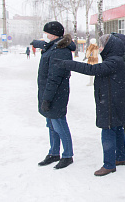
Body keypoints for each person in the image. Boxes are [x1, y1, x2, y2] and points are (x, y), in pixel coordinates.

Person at [56, 34, 125, 177]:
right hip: (114, 101)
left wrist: (67, 64)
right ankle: (121, 157)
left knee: (108, 130)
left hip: (110, 102)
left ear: (109, 47)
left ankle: (109, 164)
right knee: (117, 128)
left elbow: (92, 70)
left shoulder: (113, 61)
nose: (100, 48)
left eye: (103, 45)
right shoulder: (116, 59)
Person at [30, 21, 75, 170]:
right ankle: (54, 152)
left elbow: (54, 78)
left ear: (53, 34)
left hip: (56, 94)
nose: (44, 36)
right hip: (48, 93)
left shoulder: (60, 50)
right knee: (51, 125)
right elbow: (41, 44)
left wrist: (47, 98)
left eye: (46, 33)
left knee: (59, 124)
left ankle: (67, 155)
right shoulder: (52, 46)